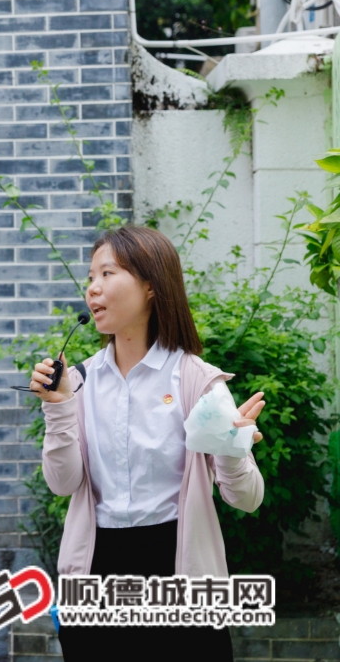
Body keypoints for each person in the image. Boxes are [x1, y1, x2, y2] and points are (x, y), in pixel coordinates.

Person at [32, 226, 266, 661]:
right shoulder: (79, 382)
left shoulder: (197, 379)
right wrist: (59, 407)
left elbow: (247, 498)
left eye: (107, 273)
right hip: (97, 570)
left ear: (151, 286)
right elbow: (63, 484)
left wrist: (232, 449)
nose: (93, 289)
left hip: (178, 566)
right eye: (90, 277)